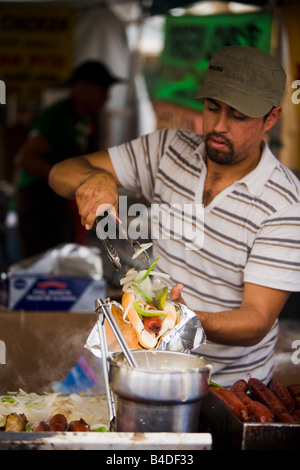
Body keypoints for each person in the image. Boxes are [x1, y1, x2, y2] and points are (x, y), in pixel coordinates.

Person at [48, 46, 300, 388]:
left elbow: (255, 321)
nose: (219, 126)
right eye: (212, 108)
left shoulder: (285, 202)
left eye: (238, 116)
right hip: (151, 365)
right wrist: (95, 178)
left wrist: (179, 316)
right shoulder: (168, 149)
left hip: (228, 388)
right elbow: (60, 173)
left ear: (271, 118)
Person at [14, 60, 125, 258]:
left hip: (61, 206)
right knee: (42, 265)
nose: (107, 98)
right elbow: (25, 158)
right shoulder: (58, 116)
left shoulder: (86, 119)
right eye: (102, 91)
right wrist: (64, 177)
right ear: (82, 88)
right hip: (39, 203)